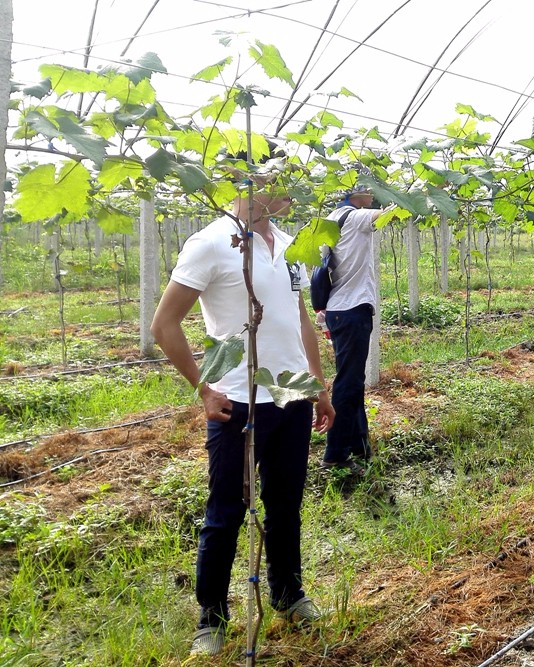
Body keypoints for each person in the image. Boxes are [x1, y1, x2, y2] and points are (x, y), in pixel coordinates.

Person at [151, 167, 336, 656]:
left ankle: (287, 593)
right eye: (283, 181)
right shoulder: (212, 243)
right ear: (252, 188)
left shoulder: (291, 245)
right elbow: (165, 324)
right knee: (226, 511)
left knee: (285, 503)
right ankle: (210, 618)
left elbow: (300, 319)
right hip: (237, 399)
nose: (293, 192)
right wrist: (204, 389)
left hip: (291, 396)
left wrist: (317, 385)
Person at [315, 184, 382, 474]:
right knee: (348, 382)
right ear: (358, 195)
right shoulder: (355, 218)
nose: (373, 197)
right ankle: (336, 454)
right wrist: (420, 194)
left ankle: (359, 444)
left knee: (352, 379)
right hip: (353, 310)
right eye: (371, 191)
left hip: (339, 310)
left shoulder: (332, 219)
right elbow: (390, 214)